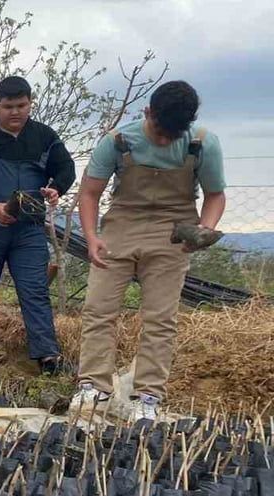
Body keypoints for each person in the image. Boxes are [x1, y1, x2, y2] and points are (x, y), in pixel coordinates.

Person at [72, 80, 226, 421]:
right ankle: (93, 387)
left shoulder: (203, 145)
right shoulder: (118, 141)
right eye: (159, 130)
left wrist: (205, 229)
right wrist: (91, 236)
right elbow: (90, 192)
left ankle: (148, 396)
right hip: (120, 227)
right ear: (148, 112)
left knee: (160, 317)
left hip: (172, 232)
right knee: (99, 308)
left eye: (172, 134)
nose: (163, 140)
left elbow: (215, 195)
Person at [0, 76, 76, 376]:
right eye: (8, 107)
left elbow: (66, 168)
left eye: (21, 105)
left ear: (30, 103)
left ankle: (47, 357)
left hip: (29, 229)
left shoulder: (45, 137)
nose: (15, 112)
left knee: (34, 290)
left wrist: (55, 187)